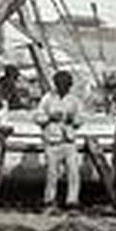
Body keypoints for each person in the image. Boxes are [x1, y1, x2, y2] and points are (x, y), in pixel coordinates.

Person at [35, 71, 83, 211]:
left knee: (74, 173)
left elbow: (81, 119)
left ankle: (72, 201)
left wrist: (72, 120)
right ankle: (49, 201)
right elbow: (37, 118)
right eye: (61, 84)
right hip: (52, 141)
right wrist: (50, 117)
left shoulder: (74, 100)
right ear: (56, 84)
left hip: (69, 141)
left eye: (67, 85)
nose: (64, 87)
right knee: (52, 174)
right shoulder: (47, 99)